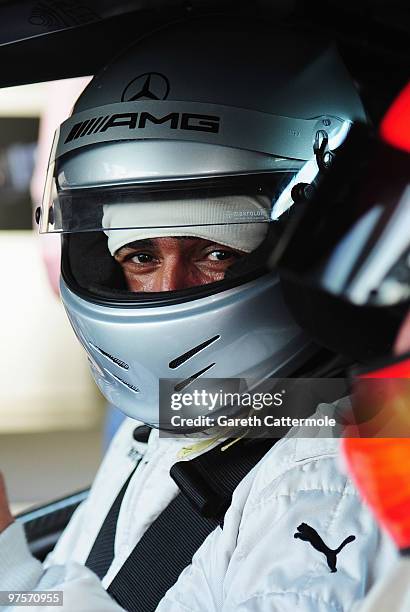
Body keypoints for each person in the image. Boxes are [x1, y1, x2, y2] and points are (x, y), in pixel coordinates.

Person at [0, 16, 398, 612]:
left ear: (302, 240)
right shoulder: (171, 426)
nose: (166, 289)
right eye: (139, 255)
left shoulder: (316, 477)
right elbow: (79, 593)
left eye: (215, 252)